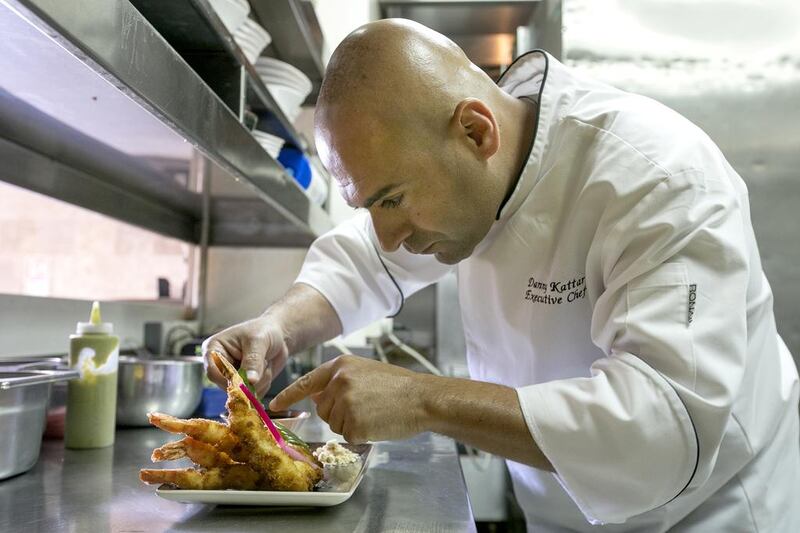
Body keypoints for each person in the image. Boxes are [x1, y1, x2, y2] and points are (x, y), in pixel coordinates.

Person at [203, 19, 800, 532]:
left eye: (391, 200)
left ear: (475, 132)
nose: (386, 234)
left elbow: (661, 430)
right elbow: (365, 259)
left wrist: (423, 399)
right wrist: (278, 326)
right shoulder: (461, 175)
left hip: (708, 512)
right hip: (560, 509)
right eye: (370, 207)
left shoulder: (658, 179)